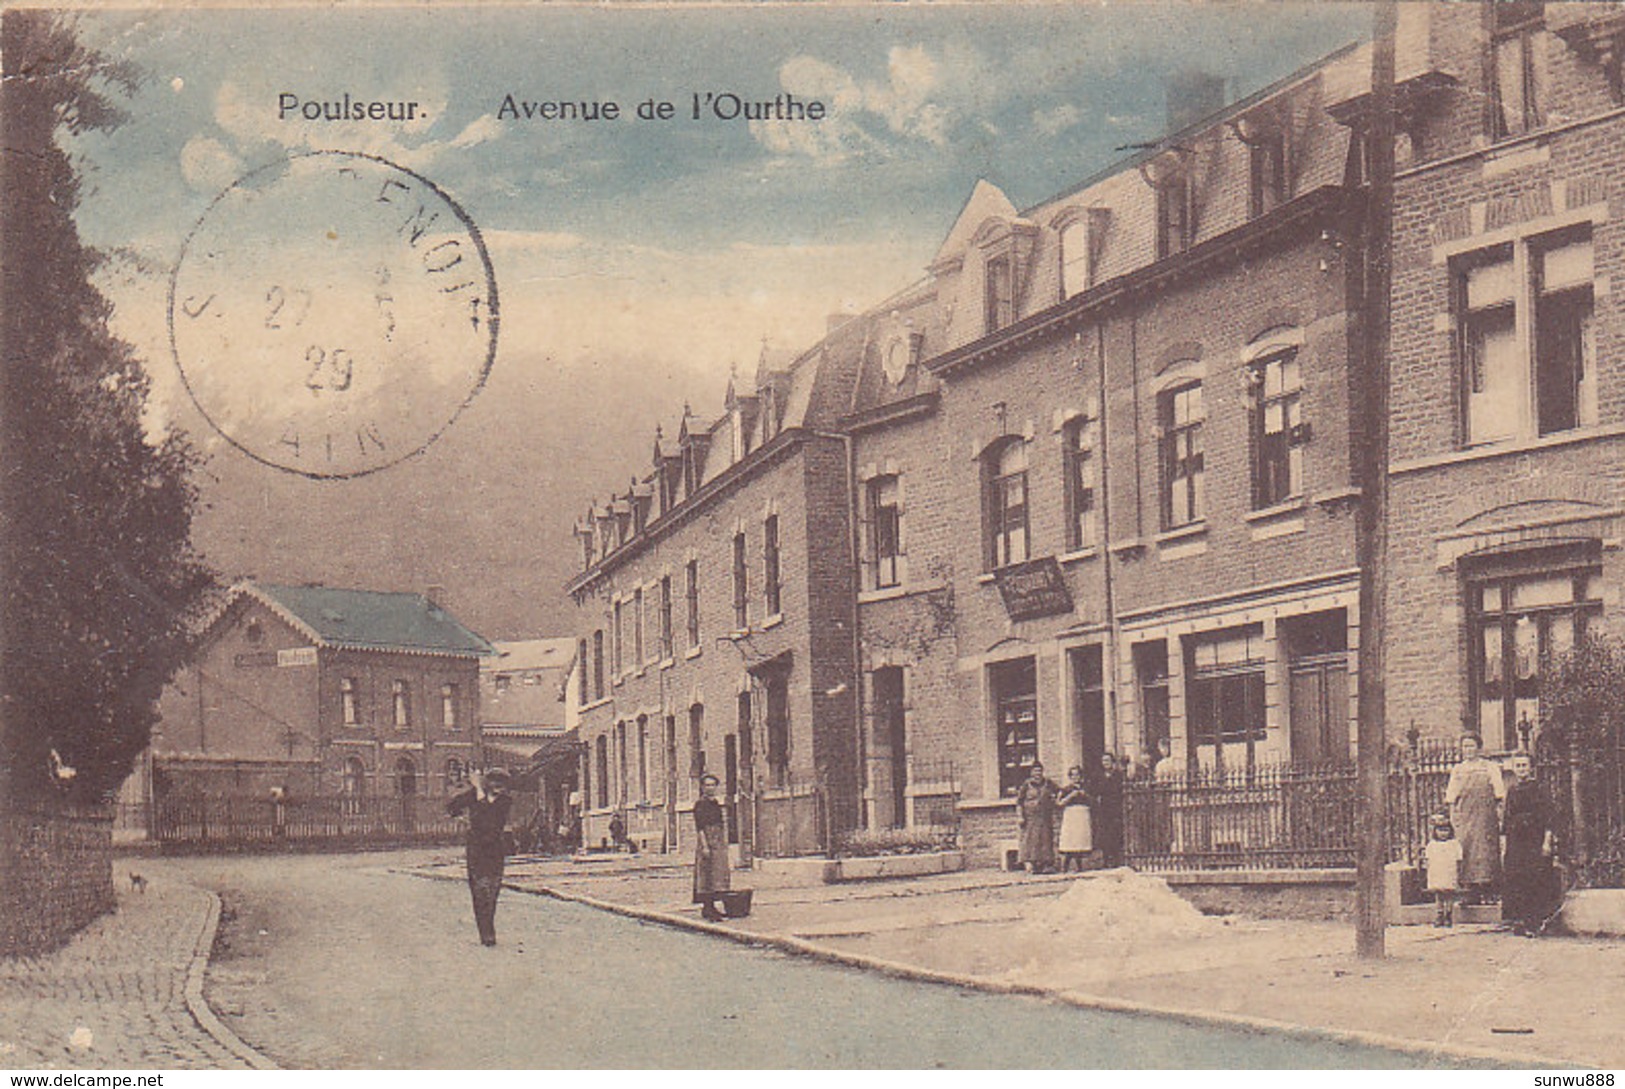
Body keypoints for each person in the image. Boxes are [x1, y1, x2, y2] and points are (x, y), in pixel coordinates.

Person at [447, 767, 513, 947]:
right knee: (479, 892)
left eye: (502, 783)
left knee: (492, 891)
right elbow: (452, 806)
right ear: (488, 782)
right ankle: (486, 933)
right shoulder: (474, 796)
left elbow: (490, 818)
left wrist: (478, 791)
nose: (498, 787)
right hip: (476, 851)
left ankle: (488, 928)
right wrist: (459, 817)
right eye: (494, 782)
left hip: (494, 851)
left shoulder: (505, 802)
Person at [1501, 751, 1562, 937]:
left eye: (1524, 765)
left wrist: (1546, 841)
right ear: (1513, 768)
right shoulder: (1511, 790)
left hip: (1534, 840)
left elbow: (1548, 817)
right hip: (1516, 840)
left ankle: (1534, 922)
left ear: (1531, 767)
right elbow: (1507, 817)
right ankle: (1520, 920)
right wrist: (1504, 842)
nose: (1521, 769)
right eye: (1518, 766)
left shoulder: (1539, 789)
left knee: (1534, 879)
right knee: (1517, 879)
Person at [1444, 733, 1505, 904]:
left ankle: (1489, 891)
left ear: (1479, 748)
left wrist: (1499, 817)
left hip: (1486, 817)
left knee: (1486, 851)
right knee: (1466, 851)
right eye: (1465, 746)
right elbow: (1451, 798)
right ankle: (1470, 893)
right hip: (1464, 817)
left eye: (1471, 746)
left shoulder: (1489, 767)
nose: (1468, 750)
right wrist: (1453, 819)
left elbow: (1499, 795)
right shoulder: (1458, 770)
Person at [692, 773, 731, 921]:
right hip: (707, 840)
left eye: (713, 785)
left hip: (718, 841)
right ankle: (707, 908)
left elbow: (720, 824)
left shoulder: (715, 803)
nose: (710, 788)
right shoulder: (700, 805)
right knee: (706, 875)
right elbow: (700, 827)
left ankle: (713, 906)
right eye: (707, 785)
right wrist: (705, 846)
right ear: (702, 787)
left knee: (717, 875)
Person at [1015, 762, 1060, 875]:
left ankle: (1046, 864)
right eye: (1035, 771)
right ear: (1031, 772)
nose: (1037, 774)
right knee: (1032, 840)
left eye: (1039, 771)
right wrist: (1020, 816)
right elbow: (1019, 802)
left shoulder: (1048, 783)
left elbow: (1059, 791)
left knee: (1046, 839)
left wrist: (1055, 800)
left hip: (1045, 816)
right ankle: (1033, 865)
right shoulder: (1026, 785)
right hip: (1030, 817)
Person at [1423, 813, 1462, 927]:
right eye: (1440, 830)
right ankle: (1439, 915)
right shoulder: (1432, 845)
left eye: (1446, 830)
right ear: (1435, 831)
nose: (1443, 833)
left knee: (1449, 894)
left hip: (1449, 871)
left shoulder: (1454, 844)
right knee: (1439, 895)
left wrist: (1458, 871)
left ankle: (1448, 915)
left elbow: (1459, 858)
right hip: (1437, 872)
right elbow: (1428, 859)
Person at [1056, 766, 1094, 873]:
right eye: (1073, 775)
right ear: (1070, 777)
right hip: (1071, 815)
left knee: (1079, 840)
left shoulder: (1086, 788)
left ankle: (1079, 866)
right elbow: (1058, 803)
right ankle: (1065, 866)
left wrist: (1085, 795)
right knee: (1070, 840)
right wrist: (1070, 796)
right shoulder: (1066, 789)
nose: (1075, 777)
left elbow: (1093, 801)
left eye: (1077, 775)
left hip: (1082, 814)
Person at [1093, 752, 1127, 868]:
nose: (1105, 763)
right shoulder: (1098, 776)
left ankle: (1117, 858)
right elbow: (1094, 790)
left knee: (1116, 832)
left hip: (1116, 807)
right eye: (1104, 761)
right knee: (1105, 834)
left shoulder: (1118, 775)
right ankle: (1106, 858)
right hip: (1104, 808)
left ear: (1112, 762)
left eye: (1108, 760)